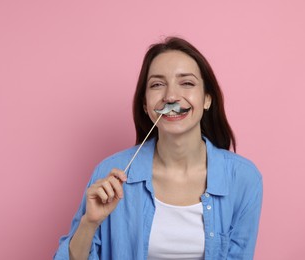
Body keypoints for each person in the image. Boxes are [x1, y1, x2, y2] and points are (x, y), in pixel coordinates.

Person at [54, 37, 263, 260]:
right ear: (145, 104)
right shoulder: (111, 171)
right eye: (157, 84)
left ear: (207, 99)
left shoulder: (243, 178)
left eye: (187, 83)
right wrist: (90, 222)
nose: (171, 97)